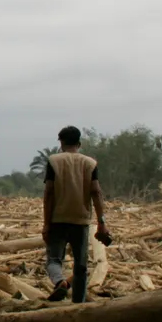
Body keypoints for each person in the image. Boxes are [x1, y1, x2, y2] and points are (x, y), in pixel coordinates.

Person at [42, 126, 112, 303]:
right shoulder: (90, 163)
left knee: (53, 260)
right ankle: (78, 305)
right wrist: (101, 222)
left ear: (61, 143)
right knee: (81, 267)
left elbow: (49, 192)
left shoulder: (54, 161)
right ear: (79, 143)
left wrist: (46, 224)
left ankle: (60, 282)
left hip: (58, 220)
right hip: (80, 221)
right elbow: (96, 192)